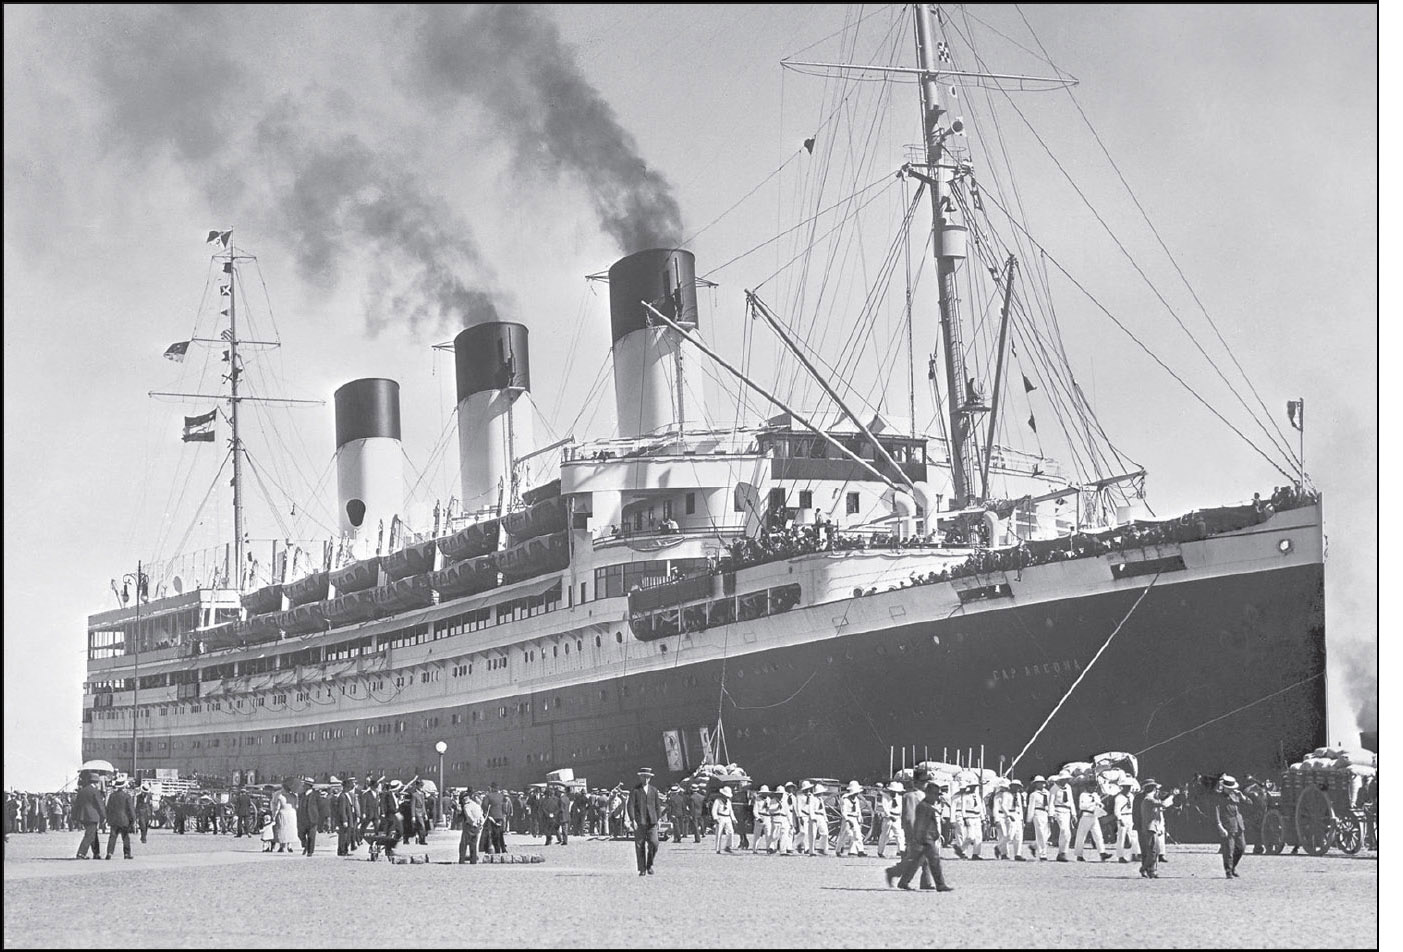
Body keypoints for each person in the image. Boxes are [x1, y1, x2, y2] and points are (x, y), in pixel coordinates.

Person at [885, 781, 953, 892]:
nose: (936, 797)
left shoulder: (928, 806)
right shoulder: (923, 806)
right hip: (924, 839)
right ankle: (940, 885)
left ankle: (898, 876)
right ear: (929, 794)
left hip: (927, 838)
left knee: (914, 862)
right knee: (932, 861)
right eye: (935, 794)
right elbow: (920, 824)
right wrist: (922, 839)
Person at [627, 767, 662, 876]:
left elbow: (657, 806)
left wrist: (658, 819)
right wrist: (632, 820)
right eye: (644, 777)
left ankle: (649, 864)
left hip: (652, 822)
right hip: (640, 821)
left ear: (650, 778)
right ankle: (642, 869)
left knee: (654, 843)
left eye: (648, 777)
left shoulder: (654, 790)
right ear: (640, 777)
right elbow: (630, 805)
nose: (646, 779)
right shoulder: (635, 790)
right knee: (639, 845)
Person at [1137, 780, 1175, 879]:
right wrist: (1172, 796)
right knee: (1153, 851)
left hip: (1153, 828)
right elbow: (1164, 804)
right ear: (1153, 789)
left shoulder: (1150, 799)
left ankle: (1149, 869)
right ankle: (1144, 868)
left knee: (1155, 850)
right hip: (1150, 828)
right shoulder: (1149, 799)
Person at [1216, 775, 1247, 879]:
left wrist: (1242, 796)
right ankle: (1228, 871)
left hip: (1239, 824)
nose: (1231, 790)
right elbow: (1216, 812)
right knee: (1229, 850)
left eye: (1232, 789)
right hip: (1227, 825)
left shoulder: (1236, 795)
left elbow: (1250, 804)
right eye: (1229, 789)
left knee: (1241, 847)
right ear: (1224, 787)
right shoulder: (1219, 797)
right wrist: (1219, 825)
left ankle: (1232, 866)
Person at [1074, 783, 1112, 862]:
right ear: (1087, 787)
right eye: (1091, 786)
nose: (1093, 788)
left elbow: (1099, 803)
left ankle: (1102, 853)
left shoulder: (1095, 795)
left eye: (1095, 787)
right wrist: (1093, 804)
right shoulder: (1083, 795)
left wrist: (1100, 805)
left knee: (1098, 836)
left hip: (1095, 816)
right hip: (1086, 816)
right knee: (1081, 836)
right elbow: (1082, 806)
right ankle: (1079, 855)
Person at [73, 772, 105, 860]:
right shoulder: (95, 791)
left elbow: (76, 804)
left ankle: (96, 853)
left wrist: (75, 817)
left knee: (93, 834)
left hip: (83, 815)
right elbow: (100, 805)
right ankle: (81, 853)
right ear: (96, 782)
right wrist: (103, 816)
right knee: (89, 835)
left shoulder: (82, 791)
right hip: (92, 816)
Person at [104, 777, 136, 860]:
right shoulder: (127, 796)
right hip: (124, 819)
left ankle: (109, 853)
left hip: (114, 819)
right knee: (125, 837)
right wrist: (133, 820)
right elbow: (130, 809)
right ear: (124, 786)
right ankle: (126, 854)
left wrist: (108, 819)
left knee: (112, 837)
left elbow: (108, 808)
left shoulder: (112, 796)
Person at [837, 781, 867, 856]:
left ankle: (860, 851)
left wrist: (860, 817)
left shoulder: (856, 799)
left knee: (858, 835)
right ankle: (838, 849)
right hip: (847, 818)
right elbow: (843, 811)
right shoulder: (845, 799)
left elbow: (858, 809)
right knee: (845, 834)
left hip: (854, 818)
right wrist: (847, 819)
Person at [877, 782, 904, 859]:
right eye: (892, 791)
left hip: (897, 818)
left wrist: (900, 817)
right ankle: (880, 851)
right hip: (888, 818)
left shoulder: (899, 798)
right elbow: (885, 808)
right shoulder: (885, 797)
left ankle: (901, 850)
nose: (894, 793)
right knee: (885, 835)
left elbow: (901, 809)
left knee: (899, 835)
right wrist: (889, 816)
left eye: (895, 791)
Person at [1051, 773, 1075, 861]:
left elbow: (1071, 800)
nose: (1066, 781)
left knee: (1067, 833)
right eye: (1064, 779)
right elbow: (1051, 802)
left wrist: (1074, 813)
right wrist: (1051, 814)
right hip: (1058, 810)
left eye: (1067, 779)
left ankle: (1062, 852)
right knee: (1064, 830)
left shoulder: (1068, 787)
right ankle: (1062, 853)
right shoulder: (1054, 788)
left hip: (1067, 811)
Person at [271, 779, 299, 853]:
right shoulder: (294, 795)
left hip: (283, 813)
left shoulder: (279, 795)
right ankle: (289, 846)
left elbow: (277, 807)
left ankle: (283, 846)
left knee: (282, 829)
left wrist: (274, 815)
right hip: (292, 814)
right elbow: (296, 805)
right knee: (290, 829)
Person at [1112, 781, 1136, 863]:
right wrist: (1119, 819)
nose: (1128, 788)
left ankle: (1134, 854)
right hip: (1123, 816)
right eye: (1126, 786)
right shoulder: (1119, 797)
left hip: (1130, 816)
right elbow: (1116, 810)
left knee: (1133, 836)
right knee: (1121, 837)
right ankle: (1120, 856)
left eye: (1129, 786)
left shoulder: (1131, 796)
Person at [296, 777, 321, 856]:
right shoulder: (301, 795)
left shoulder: (315, 795)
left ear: (309, 786)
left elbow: (320, 807)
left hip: (312, 818)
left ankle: (310, 851)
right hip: (302, 818)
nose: (303, 786)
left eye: (305, 785)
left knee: (311, 836)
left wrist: (319, 818)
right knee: (300, 834)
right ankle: (305, 845)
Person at [458, 788, 483, 864]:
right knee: (473, 844)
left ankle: (462, 860)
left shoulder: (467, 806)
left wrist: (472, 822)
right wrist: (480, 824)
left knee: (464, 843)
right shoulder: (476, 805)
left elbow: (468, 816)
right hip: (477, 826)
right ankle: (473, 860)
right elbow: (481, 815)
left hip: (469, 826)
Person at [483, 782, 508, 854]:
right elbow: (504, 806)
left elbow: (485, 805)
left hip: (492, 817)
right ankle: (503, 848)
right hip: (500, 816)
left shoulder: (489, 796)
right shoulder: (501, 796)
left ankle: (495, 849)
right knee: (500, 833)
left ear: (492, 788)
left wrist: (485, 812)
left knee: (492, 834)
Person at [335, 777, 358, 856]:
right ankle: (342, 850)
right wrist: (344, 820)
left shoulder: (347, 795)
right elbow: (342, 809)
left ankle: (345, 849)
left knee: (348, 835)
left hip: (350, 817)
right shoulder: (342, 796)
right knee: (343, 836)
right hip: (345, 819)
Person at [712, 786, 737, 853]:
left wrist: (733, 819)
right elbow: (714, 810)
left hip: (727, 817)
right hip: (720, 817)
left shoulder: (729, 801)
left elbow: (731, 811)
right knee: (719, 833)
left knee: (731, 832)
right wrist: (715, 818)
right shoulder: (717, 801)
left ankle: (728, 846)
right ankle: (718, 849)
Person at [750, 786, 773, 853]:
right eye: (764, 793)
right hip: (760, 816)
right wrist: (758, 818)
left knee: (768, 834)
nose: (765, 794)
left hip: (767, 817)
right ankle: (755, 849)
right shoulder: (757, 800)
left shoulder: (768, 799)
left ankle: (768, 848)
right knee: (757, 835)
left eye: (766, 793)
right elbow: (755, 810)